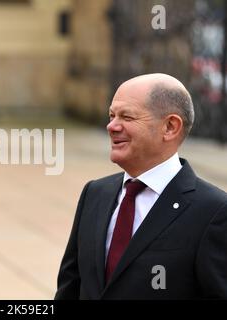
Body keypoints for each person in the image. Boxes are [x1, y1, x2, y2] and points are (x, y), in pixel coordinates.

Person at [55, 73, 227, 299]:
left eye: (127, 117)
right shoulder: (95, 193)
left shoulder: (213, 210)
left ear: (170, 127)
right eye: (111, 115)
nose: (111, 126)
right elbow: (70, 287)